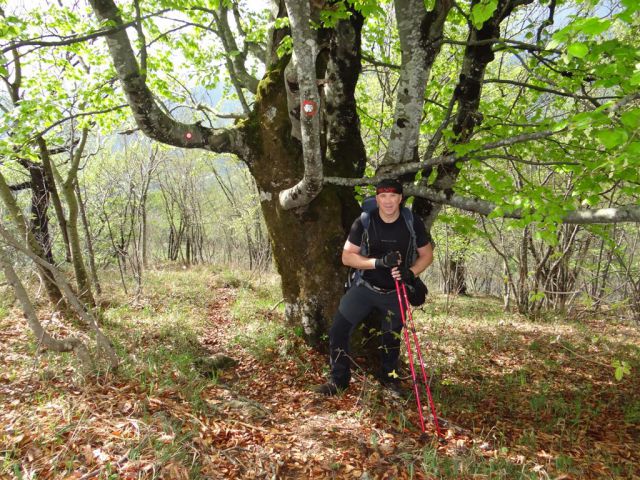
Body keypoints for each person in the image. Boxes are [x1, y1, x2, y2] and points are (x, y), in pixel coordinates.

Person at [313, 179, 434, 396]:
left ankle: (390, 380)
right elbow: (346, 256)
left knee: (392, 340)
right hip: (365, 288)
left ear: (400, 199)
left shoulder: (411, 221)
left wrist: (410, 273)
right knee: (338, 329)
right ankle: (338, 380)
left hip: (395, 291)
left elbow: (427, 255)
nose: (388, 201)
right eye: (383, 196)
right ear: (377, 198)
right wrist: (377, 263)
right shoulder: (365, 221)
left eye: (393, 196)